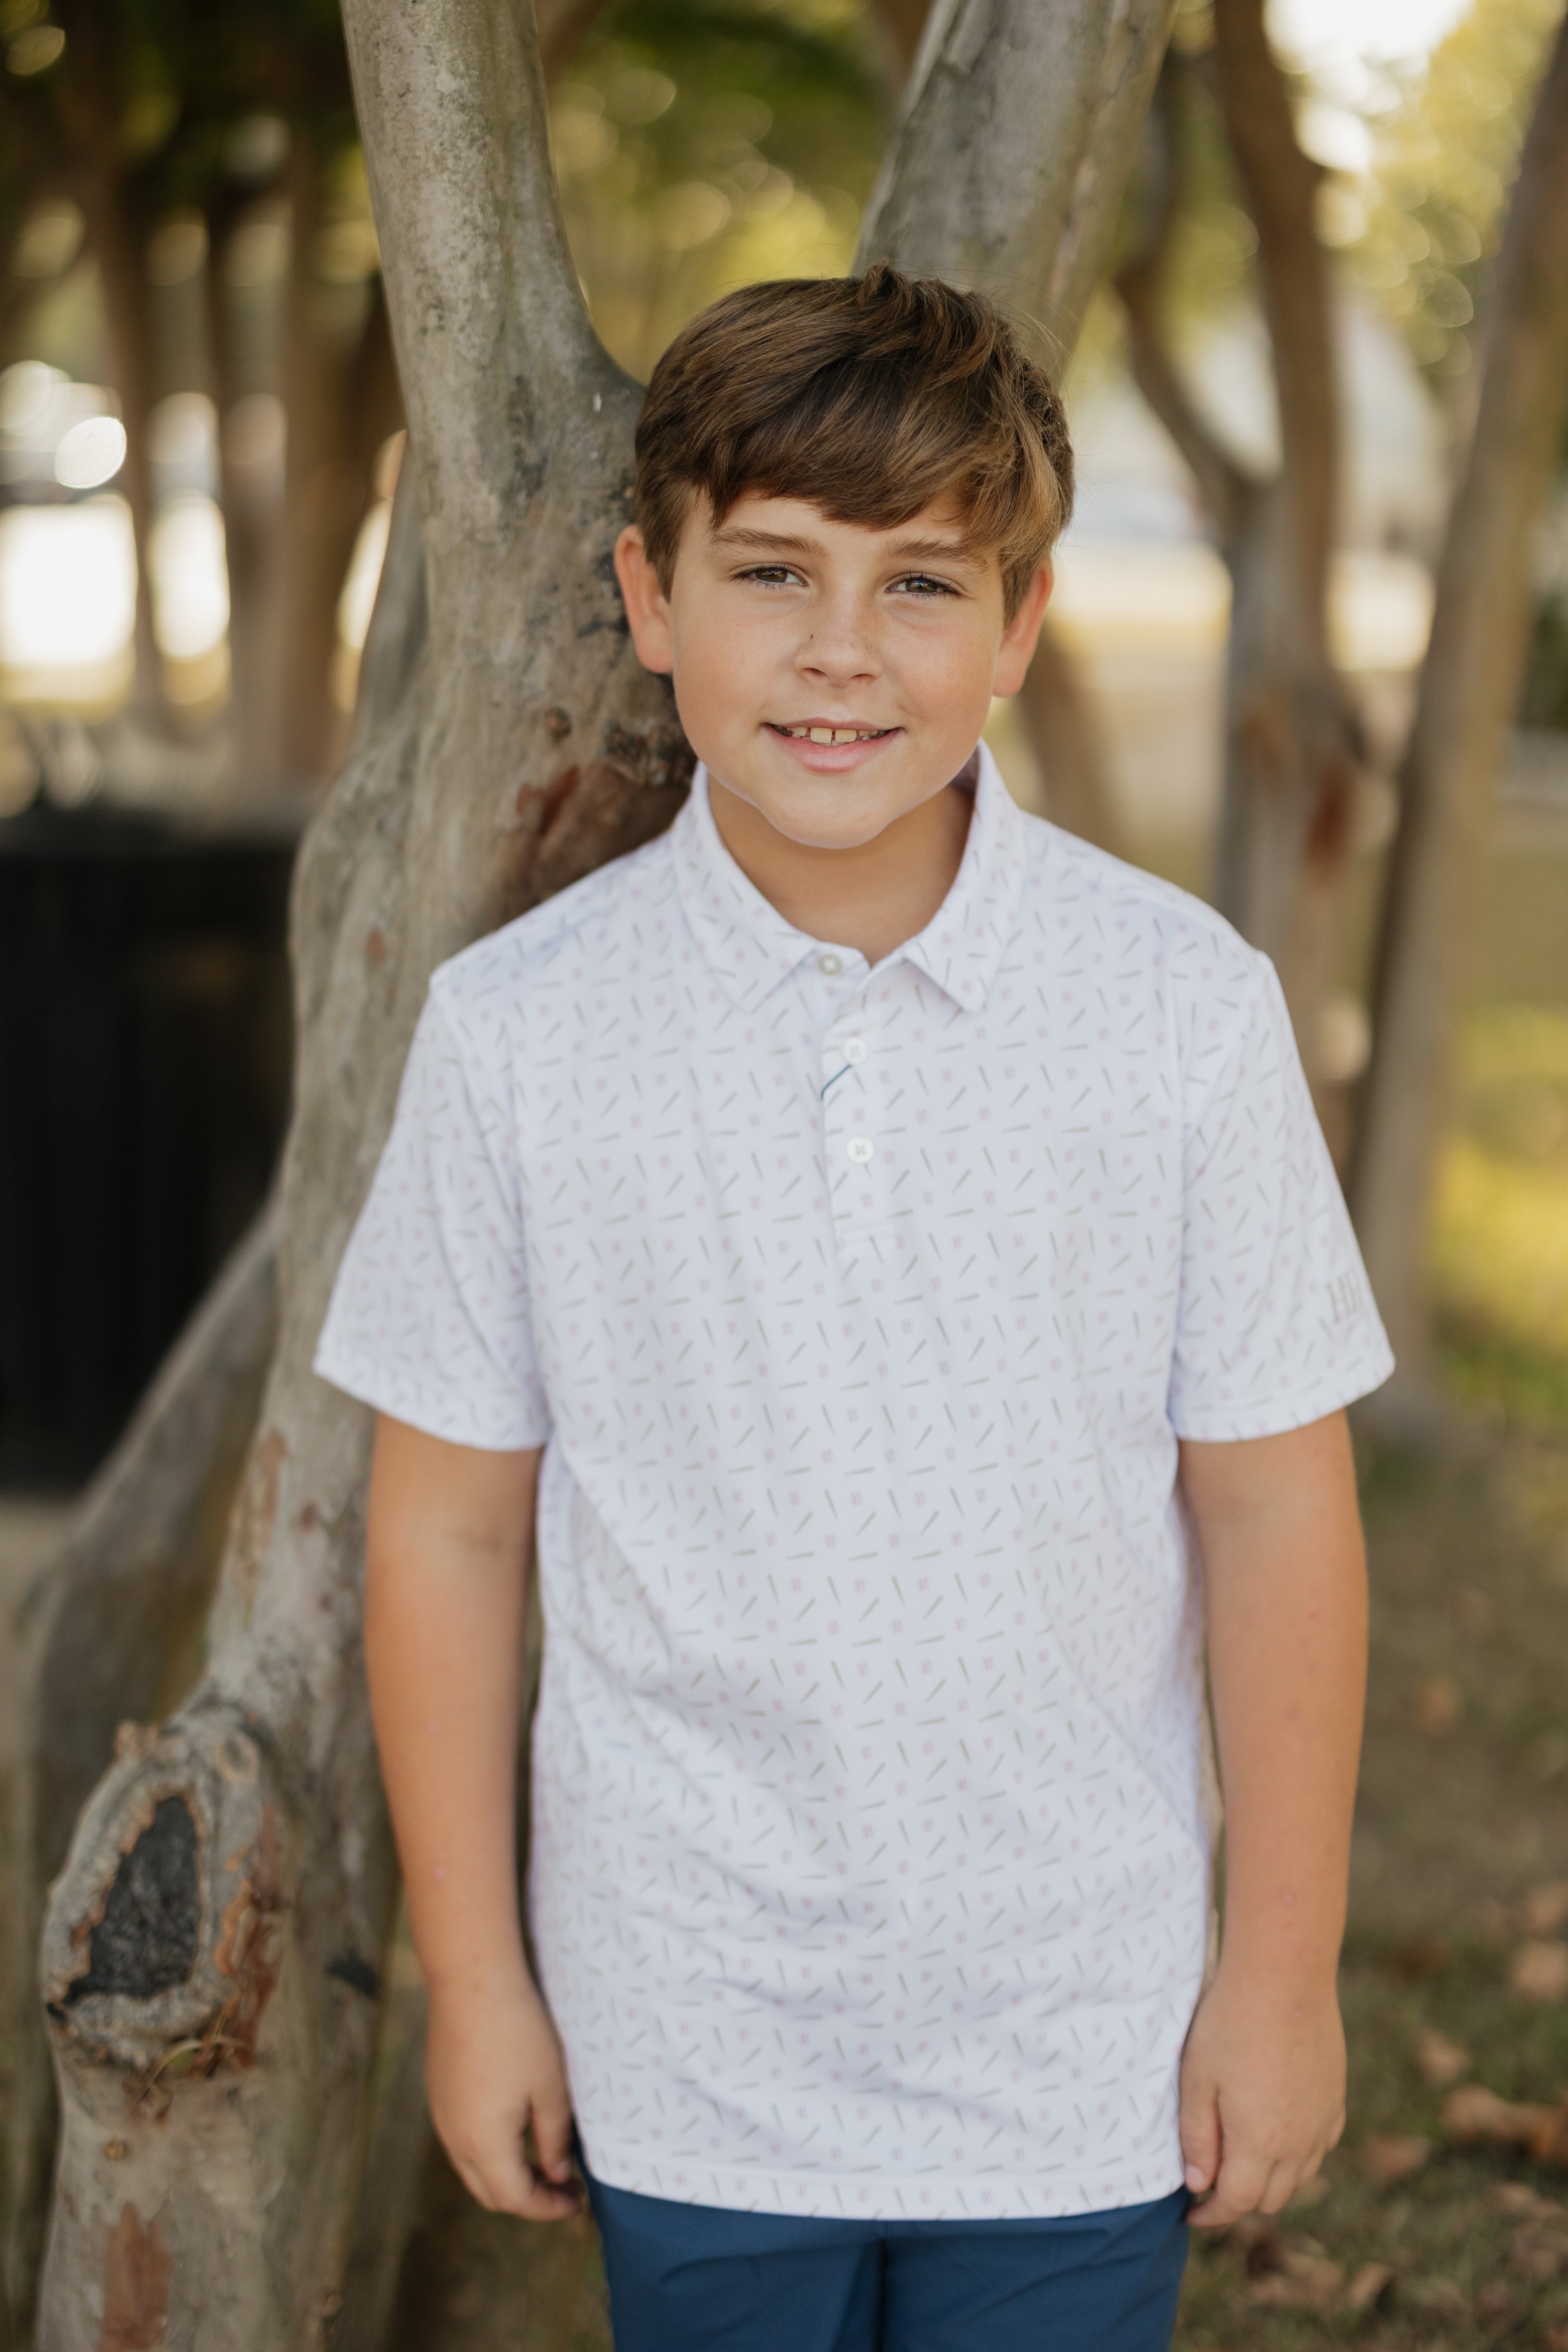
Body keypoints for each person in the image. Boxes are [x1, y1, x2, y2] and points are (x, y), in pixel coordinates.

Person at [315, 263, 1391, 2352]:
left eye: (920, 585)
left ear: (1022, 625)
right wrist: (481, 1985)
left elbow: (1272, 1510)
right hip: (687, 2022)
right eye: (774, 571)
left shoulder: (1180, 1013)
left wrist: (1277, 1970)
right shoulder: (518, 1036)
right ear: (650, 597)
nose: (838, 654)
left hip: (1079, 2031)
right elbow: (443, 1527)